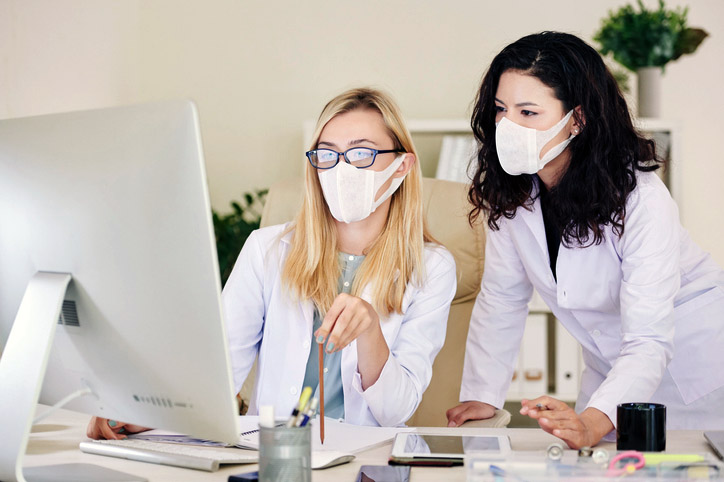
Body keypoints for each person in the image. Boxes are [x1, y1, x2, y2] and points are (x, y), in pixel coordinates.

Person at [88, 87, 456, 439]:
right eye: (327, 154)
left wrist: (370, 330)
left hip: (367, 462)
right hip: (273, 454)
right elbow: (220, 372)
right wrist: (139, 416)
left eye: (362, 153)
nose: (342, 168)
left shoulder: (432, 267)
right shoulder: (267, 249)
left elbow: (397, 410)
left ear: (402, 165)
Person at [446, 31, 724, 448]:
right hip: (611, 366)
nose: (508, 126)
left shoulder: (642, 201)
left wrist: (594, 422)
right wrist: (483, 396)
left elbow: (648, 338)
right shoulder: (514, 195)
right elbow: (503, 297)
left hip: (693, 363)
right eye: (501, 110)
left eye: (528, 112)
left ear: (577, 119)